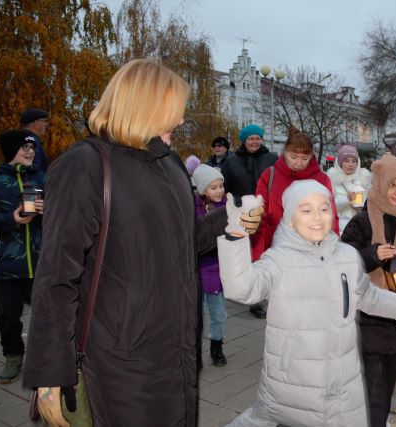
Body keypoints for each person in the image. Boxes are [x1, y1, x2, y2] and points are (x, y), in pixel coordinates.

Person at [21, 59, 263, 426]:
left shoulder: (170, 166)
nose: (180, 121)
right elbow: (56, 277)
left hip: (177, 351)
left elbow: (179, 242)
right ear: (144, 106)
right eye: (173, 111)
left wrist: (227, 221)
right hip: (118, 362)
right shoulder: (86, 164)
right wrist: (50, 375)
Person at [218, 179, 396, 427]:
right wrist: (235, 235)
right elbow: (242, 289)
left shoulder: (346, 257)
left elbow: (369, 297)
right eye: (306, 210)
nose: (317, 217)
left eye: (324, 208)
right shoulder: (278, 261)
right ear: (290, 219)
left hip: (344, 386)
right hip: (293, 387)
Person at [340, 153, 396, 427]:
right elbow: (341, 263)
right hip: (366, 317)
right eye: (393, 185)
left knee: (383, 385)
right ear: (381, 183)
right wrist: (372, 255)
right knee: (376, 391)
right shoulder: (362, 221)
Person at [0, 130, 44, 384]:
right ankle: (13, 357)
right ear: (12, 149)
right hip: (5, 266)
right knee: (8, 316)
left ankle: (46, 358)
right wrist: (10, 219)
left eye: (33, 148)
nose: (30, 151)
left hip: (41, 264)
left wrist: (49, 209)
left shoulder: (43, 179)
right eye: (25, 147)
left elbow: (65, 215)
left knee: (48, 314)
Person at [252, 127, 340, 263]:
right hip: (275, 250)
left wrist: (334, 251)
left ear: (311, 156)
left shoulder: (322, 180)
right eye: (293, 157)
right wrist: (258, 254)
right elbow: (258, 216)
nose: (299, 163)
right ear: (284, 153)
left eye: (304, 158)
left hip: (313, 252)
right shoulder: (270, 175)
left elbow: (331, 217)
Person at [221, 124, 277, 319]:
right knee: (249, 256)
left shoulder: (271, 159)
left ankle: (272, 293)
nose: (254, 141)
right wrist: (231, 200)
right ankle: (254, 299)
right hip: (242, 214)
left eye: (258, 138)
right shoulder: (232, 161)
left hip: (267, 213)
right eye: (250, 138)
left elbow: (278, 182)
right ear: (244, 140)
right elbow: (224, 185)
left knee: (269, 254)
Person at [192, 164, 229, 366]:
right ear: (202, 189)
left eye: (221, 185)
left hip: (218, 274)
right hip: (198, 272)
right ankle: (194, 352)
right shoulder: (192, 209)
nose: (219, 190)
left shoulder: (229, 207)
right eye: (213, 187)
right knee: (195, 317)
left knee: (219, 315)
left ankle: (217, 346)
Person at [327, 144, 372, 231]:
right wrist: (347, 200)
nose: (350, 164)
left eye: (354, 161)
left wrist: (362, 207)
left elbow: (371, 203)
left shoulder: (364, 179)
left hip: (360, 226)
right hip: (338, 227)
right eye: (346, 161)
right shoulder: (332, 180)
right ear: (340, 162)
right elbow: (327, 205)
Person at [20, 108, 50, 172]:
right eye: (44, 121)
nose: (46, 124)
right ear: (36, 123)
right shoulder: (31, 142)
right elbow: (33, 170)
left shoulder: (22, 139)